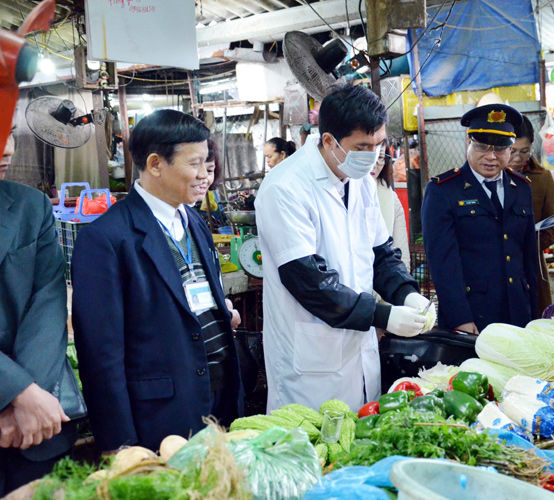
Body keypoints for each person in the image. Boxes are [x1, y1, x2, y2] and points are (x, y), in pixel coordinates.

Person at [71, 110, 244, 454]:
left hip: (219, 396)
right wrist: (120, 445)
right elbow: (100, 355)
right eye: (194, 164)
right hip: (161, 413)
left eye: (207, 164)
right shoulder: (107, 238)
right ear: (154, 164)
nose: (204, 176)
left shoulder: (193, 219)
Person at [255, 84, 434, 412]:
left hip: (360, 352)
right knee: (318, 450)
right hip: (311, 364)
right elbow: (309, 282)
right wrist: (383, 314)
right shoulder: (286, 188)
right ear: (328, 141)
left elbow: (382, 254)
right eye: (363, 146)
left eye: (379, 144)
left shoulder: (360, 180)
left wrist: (407, 294)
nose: (374, 155)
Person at [0, 130, 77, 494]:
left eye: (10, 133)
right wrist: (15, 391)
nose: (9, 149)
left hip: (35, 424)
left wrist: (29, 396)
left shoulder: (31, 206)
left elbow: (47, 302)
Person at [422, 104, 539, 334]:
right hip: (472, 318)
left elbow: (528, 260)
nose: (490, 157)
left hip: (517, 314)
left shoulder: (521, 188)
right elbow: (443, 264)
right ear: (469, 144)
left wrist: (533, 313)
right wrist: (459, 318)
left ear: (510, 149)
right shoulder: (444, 190)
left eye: (499, 148)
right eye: (482, 147)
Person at [508, 115, 554, 316]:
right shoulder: (491, 177)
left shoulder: (543, 178)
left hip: (532, 268)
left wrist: (529, 242)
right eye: (512, 151)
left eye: (524, 152)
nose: (517, 159)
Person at [372, 141, 410, 269]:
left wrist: (404, 287)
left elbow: (401, 254)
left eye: (380, 157)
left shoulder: (390, 199)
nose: (374, 165)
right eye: (369, 156)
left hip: (383, 285)